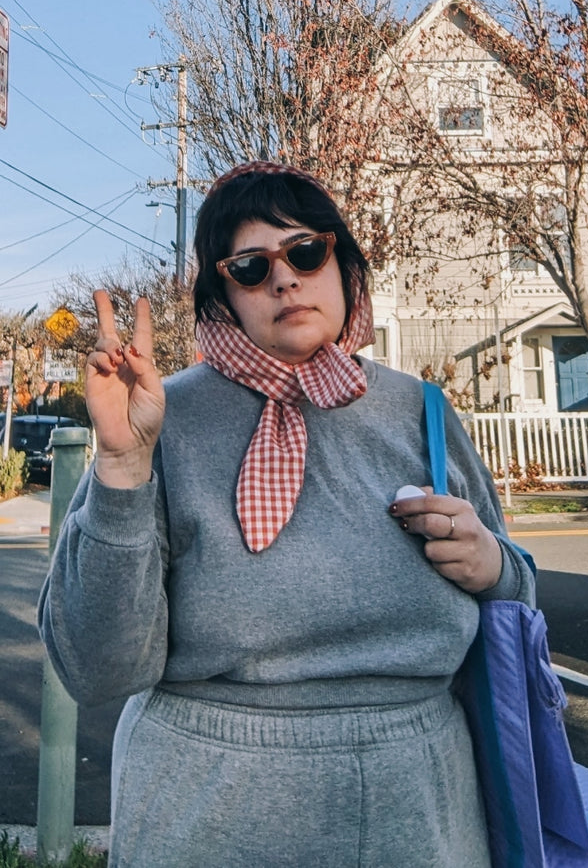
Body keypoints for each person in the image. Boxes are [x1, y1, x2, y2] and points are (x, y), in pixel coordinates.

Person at [38, 161, 535, 868]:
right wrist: (122, 466)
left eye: (305, 251)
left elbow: (517, 592)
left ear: (343, 263)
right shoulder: (160, 415)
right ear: (223, 297)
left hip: (423, 806)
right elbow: (95, 667)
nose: (284, 278)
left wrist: (492, 565)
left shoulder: (419, 409)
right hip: (207, 804)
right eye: (249, 266)